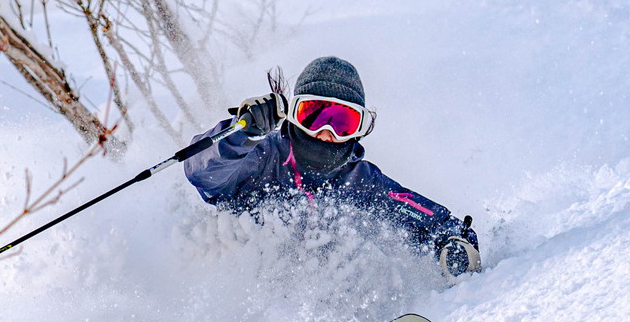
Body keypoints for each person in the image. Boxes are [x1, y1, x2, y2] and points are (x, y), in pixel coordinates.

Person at [183, 56, 481, 278]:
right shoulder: (262, 157)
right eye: (314, 116)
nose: (327, 133)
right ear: (293, 115)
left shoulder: (359, 181)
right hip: (246, 295)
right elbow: (200, 172)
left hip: (318, 301)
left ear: (360, 128)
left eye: (343, 122)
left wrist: (452, 241)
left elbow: (427, 219)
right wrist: (240, 134)